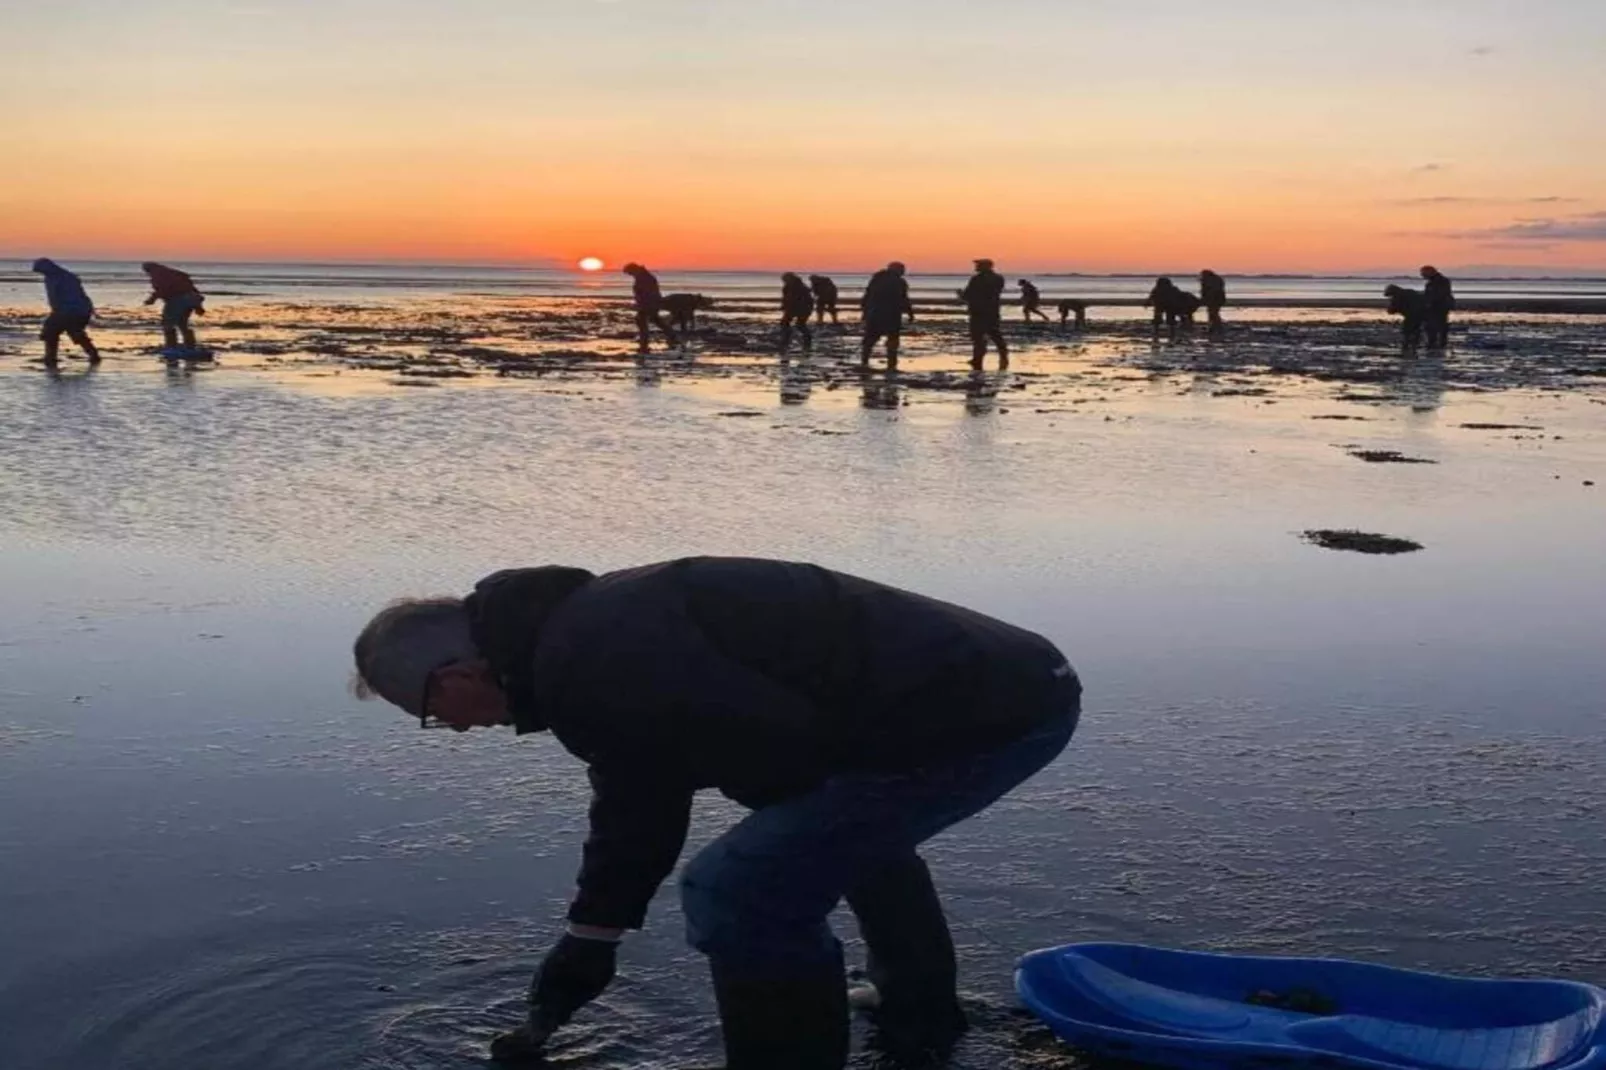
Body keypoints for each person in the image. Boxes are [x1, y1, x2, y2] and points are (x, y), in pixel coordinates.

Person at [351, 557, 1081, 1070]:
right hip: (1007, 683)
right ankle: (915, 1008)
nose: (455, 730)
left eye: (430, 714)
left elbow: (769, 754)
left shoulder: (594, 657)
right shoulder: (577, 639)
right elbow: (641, 790)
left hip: (990, 715)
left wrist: (779, 824)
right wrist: (592, 934)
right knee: (828, 830)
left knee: (740, 889)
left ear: (455, 674)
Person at [30, 259, 100, 366]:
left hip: (73, 310)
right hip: (68, 310)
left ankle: (51, 357)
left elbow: (74, 295)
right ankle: (92, 354)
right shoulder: (52, 277)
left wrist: (61, 309)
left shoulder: (66, 278)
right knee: (63, 332)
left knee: (58, 331)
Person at [141, 262, 206, 355]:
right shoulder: (177, 274)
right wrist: (198, 306)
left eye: (147, 270)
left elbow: (162, 289)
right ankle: (190, 346)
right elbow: (192, 290)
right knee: (183, 324)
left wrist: (151, 300)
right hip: (191, 299)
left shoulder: (158, 275)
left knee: (168, 323)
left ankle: (171, 347)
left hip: (176, 300)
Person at [860, 262, 914, 369]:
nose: (904, 272)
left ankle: (865, 360)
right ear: (897, 270)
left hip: (874, 314)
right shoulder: (899, 282)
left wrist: (865, 313)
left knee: (870, 340)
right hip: (891, 315)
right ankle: (891, 363)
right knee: (892, 340)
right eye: (902, 269)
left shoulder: (876, 280)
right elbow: (904, 299)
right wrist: (910, 313)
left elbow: (867, 297)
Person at [959, 259, 1009, 370]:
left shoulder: (977, 279)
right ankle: (1004, 356)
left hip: (978, 311)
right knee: (995, 334)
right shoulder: (999, 278)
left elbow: (968, 295)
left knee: (978, 337)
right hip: (993, 311)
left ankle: (977, 359)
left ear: (984, 266)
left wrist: (961, 295)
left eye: (978, 265)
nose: (976, 266)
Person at [623, 263, 680, 352]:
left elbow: (646, 293)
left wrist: (642, 304)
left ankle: (644, 345)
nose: (630, 275)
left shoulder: (645, 277)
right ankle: (673, 337)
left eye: (630, 273)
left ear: (634, 270)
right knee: (656, 321)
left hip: (648, 304)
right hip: (650, 303)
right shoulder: (643, 276)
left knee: (642, 323)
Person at [780, 272, 815, 353]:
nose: (784, 281)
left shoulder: (800, 287)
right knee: (785, 323)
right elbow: (785, 298)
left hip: (802, 308)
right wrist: (784, 306)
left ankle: (807, 339)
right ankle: (786, 339)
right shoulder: (787, 287)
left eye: (785, 279)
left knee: (800, 324)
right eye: (784, 279)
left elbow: (807, 299)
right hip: (793, 308)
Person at [1420, 266, 1454, 349]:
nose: (1422, 275)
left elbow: (1441, 294)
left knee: (1439, 324)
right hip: (1435, 306)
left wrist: (1430, 302)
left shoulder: (1443, 281)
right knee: (1431, 325)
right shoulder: (1430, 283)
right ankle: (1434, 342)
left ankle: (1440, 342)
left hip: (1441, 306)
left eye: (1423, 273)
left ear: (1430, 272)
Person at [1384, 284, 1426, 350]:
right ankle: (1414, 343)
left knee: (1407, 330)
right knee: (1415, 329)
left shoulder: (1397, 297)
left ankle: (1407, 344)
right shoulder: (1409, 292)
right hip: (1421, 313)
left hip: (1412, 314)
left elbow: (1391, 311)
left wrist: (1391, 307)